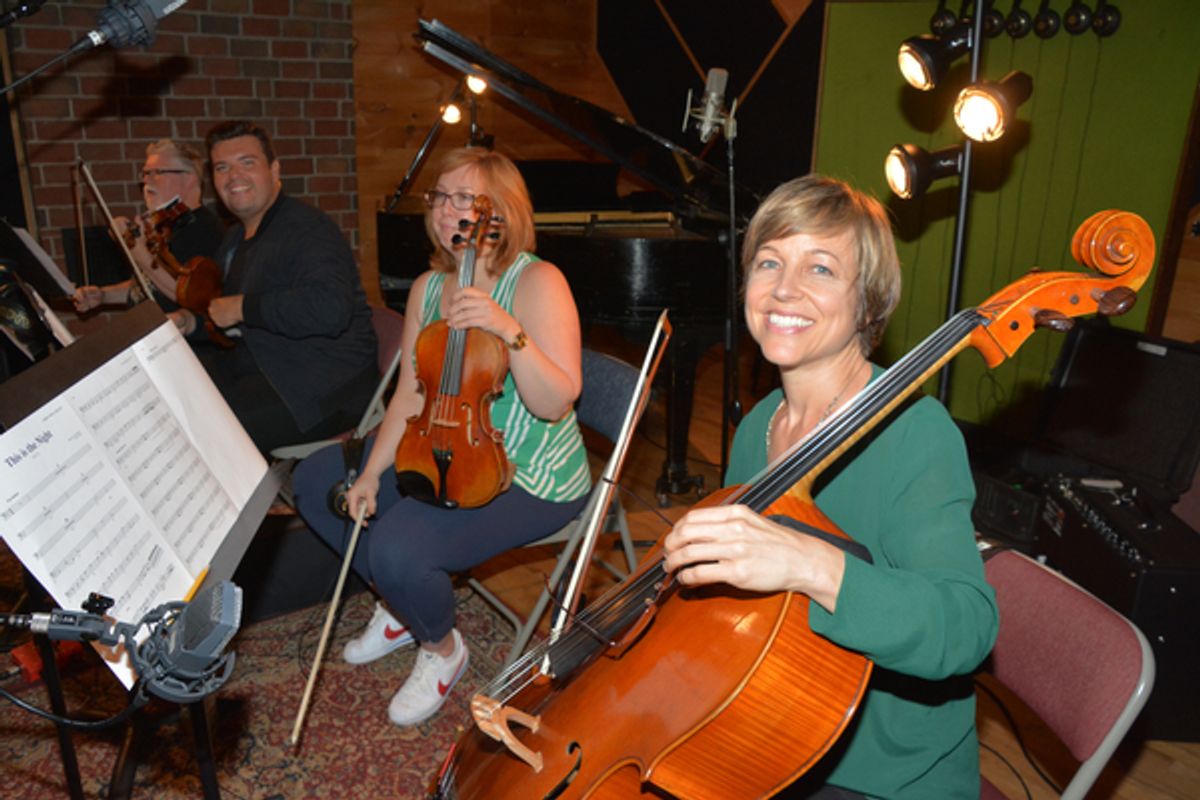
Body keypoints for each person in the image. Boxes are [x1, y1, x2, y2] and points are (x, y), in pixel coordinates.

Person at [661, 175, 999, 799]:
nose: (783, 288)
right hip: (772, 715)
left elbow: (968, 628)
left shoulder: (914, 432)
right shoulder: (762, 423)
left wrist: (811, 564)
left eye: (820, 268)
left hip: (880, 769)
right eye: (769, 262)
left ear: (866, 302)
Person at [292, 146, 591, 727]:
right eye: (441, 196)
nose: (449, 209)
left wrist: (509, 331)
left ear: (498, 212)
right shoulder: (429, 288)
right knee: (319, 483)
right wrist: (372, 475)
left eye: (466, 199)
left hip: (530, 475)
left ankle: (442, 649)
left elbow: (555, 401)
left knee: (398, 545)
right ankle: (403, 606)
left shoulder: (538, 282)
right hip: (437, 445)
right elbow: (409, 392)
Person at [198, 120, 378, 454]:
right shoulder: (236, 238)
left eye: (247, 162)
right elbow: (226, 315)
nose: (233, 176)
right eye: (222, 168)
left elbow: (329, 308)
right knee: (182, 404)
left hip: (328, 386)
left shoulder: (308, 230)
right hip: (274, 366)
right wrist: (191, 321)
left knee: (210, 435)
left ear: (274, 170)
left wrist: (243, 307)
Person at [71, 139, 224, 333]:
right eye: (145, 173)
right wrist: (103, 295)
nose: (147, 180)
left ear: (190, 178)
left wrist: (137, 251)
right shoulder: (164, 226)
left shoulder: (203, 229)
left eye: (158, 172)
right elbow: (148, 284)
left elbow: (189, 298)